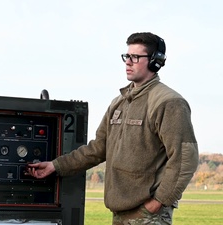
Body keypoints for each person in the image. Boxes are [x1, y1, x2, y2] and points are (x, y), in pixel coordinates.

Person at [26, 32, 199, 225]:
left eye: (136, 57)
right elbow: (97, 149)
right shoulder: (119, 103)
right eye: (127, 56)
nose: (128, 62)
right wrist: (55, 166)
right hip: (120, 211)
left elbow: (185, 159)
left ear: (154, 62)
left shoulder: (168, 102)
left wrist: (159, 202)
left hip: (148, 215)